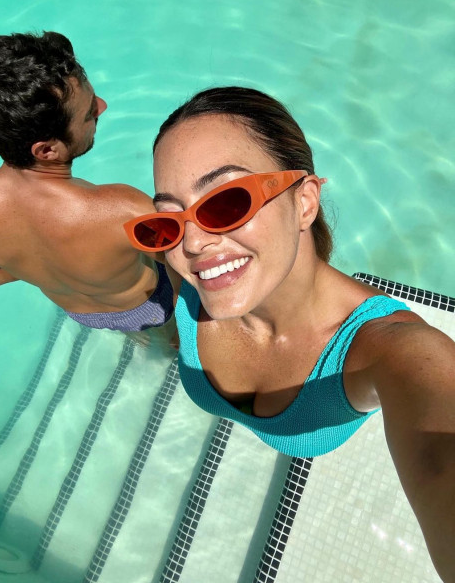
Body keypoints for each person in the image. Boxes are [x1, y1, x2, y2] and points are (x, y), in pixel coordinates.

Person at [123, 86, 455, 581]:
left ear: (304, 202)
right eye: (168, 220)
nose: (191, 243)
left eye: (226, 202)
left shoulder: (391, 349)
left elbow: (440, 452)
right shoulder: (184, 278)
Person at [0, 31, 173, 335]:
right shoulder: (124, 210)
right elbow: (190, 271)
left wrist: (18, 270)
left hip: (80, 313)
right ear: (47, 150)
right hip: (147, 306)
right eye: (89, 112)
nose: (103, 106)